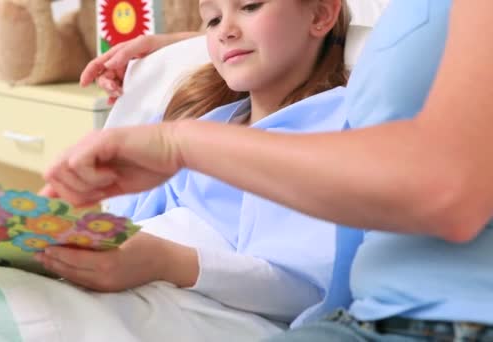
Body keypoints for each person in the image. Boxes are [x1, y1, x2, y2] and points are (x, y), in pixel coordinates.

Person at [42, 0, 493, 341]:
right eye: (211, 19)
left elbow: (303, 279)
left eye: (251, 4)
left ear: (321, 15)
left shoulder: (332, 126)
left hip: (199, 302)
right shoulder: (207, 116)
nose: (223, 31)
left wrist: (162, 257)